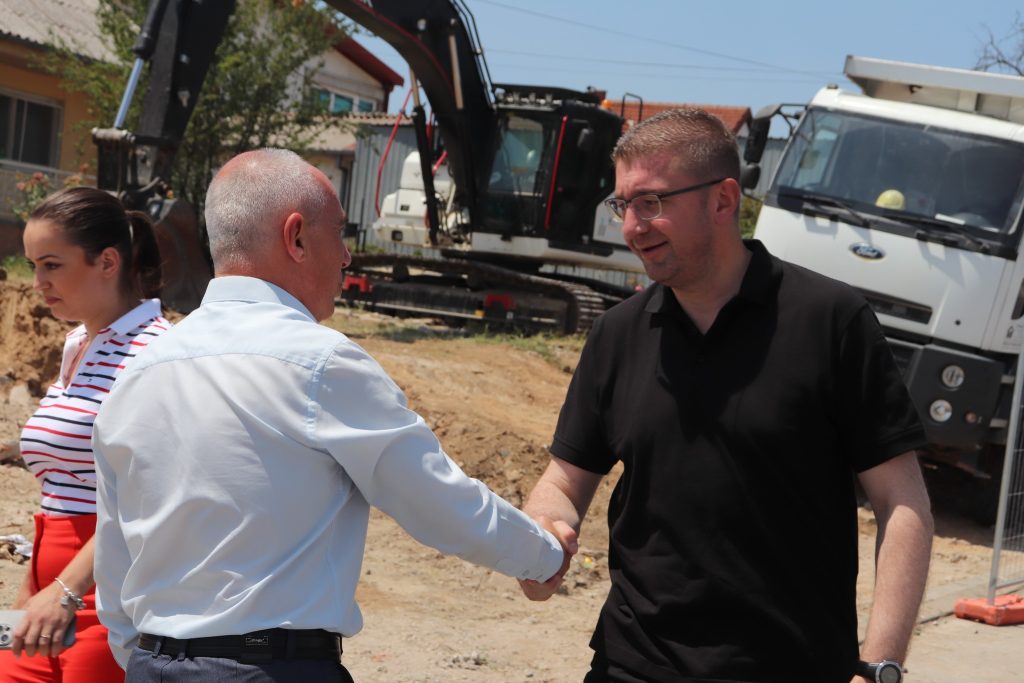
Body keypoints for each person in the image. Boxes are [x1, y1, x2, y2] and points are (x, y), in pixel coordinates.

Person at [91, 148, 576, 682]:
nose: (346, 257)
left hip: (153, 666)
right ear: (296, 237)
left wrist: (146, 656)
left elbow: (115, 555)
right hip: (268, 670)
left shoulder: (137, 375)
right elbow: (435, 500)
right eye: (340, 233)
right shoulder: (321, 364)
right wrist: (544, 557)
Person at [519, 109, 934, 683]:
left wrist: (881, 663)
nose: (632, 226)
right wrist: (542, 530)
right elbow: (565, 480)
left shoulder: (830, 322)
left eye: (651, 202)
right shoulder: (616, 334)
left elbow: (902, 502)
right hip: (633, 665)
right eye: (623, 205)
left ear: (723, 200)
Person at [0, 187, 169, 683]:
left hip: (108, 597)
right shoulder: (76, 343)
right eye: (33, 266)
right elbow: (59, 488)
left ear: (108, 262)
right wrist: (29, 593)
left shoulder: (157, 353)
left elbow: (145, 496)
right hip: (46, 588)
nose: (38, 283)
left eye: (52, 265)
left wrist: (66, 591)